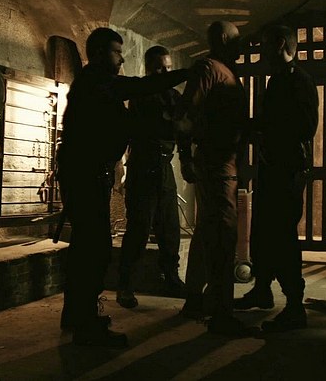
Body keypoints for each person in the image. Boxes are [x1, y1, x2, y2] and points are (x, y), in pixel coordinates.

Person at [57, 28, 188, 348]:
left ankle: (76, 314)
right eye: (117, 52)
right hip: (86, 175)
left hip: (87, 174)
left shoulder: (97, 84)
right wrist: (188, 75)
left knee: (87, 247)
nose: (121, 59)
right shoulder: (98, 82)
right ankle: (86, 326)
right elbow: (140, 90)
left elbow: (131, 123)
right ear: (100, 54)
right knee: (94, 249)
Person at [233, 24, 319, 332]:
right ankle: (262, 290)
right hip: (273, 169)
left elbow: (305, 127)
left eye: (265, 45)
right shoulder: (280, 79)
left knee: (282, 237)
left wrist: (263, 130)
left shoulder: (298, 81)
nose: (261, 52)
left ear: (280, 44)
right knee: (262, 232)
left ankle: (295, 306)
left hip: (286, 170)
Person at [176, 21, 250, 336]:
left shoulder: (225, 72)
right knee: (223, 235)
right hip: (217, 165)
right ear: (222, 38)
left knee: (208, 230)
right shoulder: (209, 69)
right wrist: (185, 156)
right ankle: (221, 314)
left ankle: (195, 299)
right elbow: (186, 115)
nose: (240, 45)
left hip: (222, 164)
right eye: (235, 39)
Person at [115, 46, 190, 308]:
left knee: (170, 227)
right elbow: (163, 125)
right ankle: (125, 285)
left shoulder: (173, 96)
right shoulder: (141, 95)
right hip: (143, 167)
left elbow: (182, 130)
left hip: (164, 166)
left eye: (168, 68)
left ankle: (171, 278)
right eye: (160, 69)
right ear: (149, 69)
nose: (165, 73)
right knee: (138, 229)